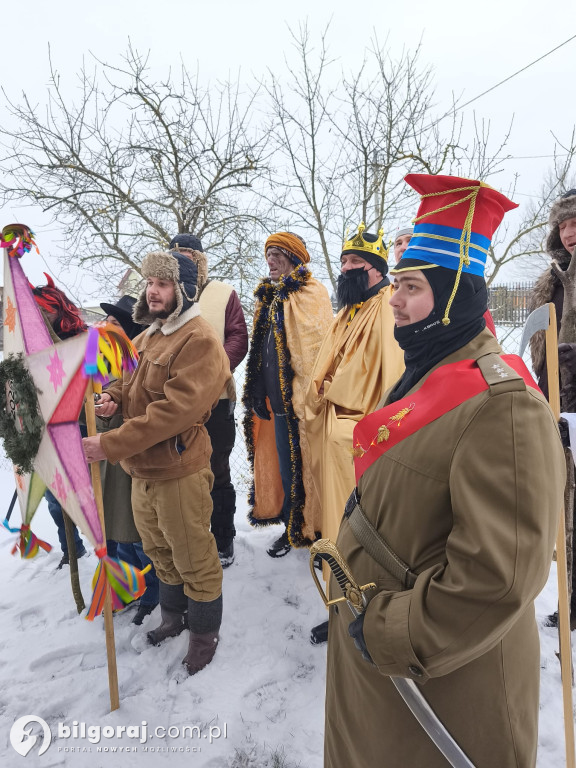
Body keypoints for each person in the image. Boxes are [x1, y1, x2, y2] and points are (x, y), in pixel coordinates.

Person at [324, 174, 565, 768]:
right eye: (397, 285)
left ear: (456, 296)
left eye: (410, 286)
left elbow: (499, 576)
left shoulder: (503, 405)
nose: (395, 300)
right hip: (391, 683)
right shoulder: (427, 371)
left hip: (443, 695)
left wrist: (390, 633)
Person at [82, 250, 231, 676]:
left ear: (182, 290)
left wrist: (111, 443)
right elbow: (127, 382)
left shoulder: (199, 340)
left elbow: (172, 413)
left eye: (162, 284)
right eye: (150, 283)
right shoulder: (149, 335)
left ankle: (204, 634)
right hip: (142, 471)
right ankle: (172, 618)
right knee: (159, 551)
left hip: (178, 470)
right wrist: (112, 396)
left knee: (193, 555)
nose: (152, 291)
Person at [305, 223, 404, 644]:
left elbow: (395, 378)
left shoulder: (385, 307)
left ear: (377, 270)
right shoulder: (347, 311)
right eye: (344, 261)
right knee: (336, 525)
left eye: (357, 263)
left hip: (364, 438)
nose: (347, 269)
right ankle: (340, 603)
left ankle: (366, 608)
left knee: (363, 529)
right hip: (333, 432)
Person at [243, 232, 333, 556]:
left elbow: (315, 353)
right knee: (285, 473)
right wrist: (256, 388)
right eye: (268, 253)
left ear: (295, 258)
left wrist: (305, 398)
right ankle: (291, 528)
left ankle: (317, 531)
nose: (271, 260)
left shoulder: (313, 294)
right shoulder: (267, 299)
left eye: (278, 253)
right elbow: (259, 351)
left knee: (311, 472)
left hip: (304, 407)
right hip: (277, 407)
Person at [168, 234, 248, 568]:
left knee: (217, 469)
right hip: (172, 399)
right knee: (177, 471)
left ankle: (224, 537)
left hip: (215, 399)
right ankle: (188, 536)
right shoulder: (165, 294)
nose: (183, 260)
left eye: (188, 254)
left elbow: (238, 337)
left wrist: (213, 370)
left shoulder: (223, 293)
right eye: (176, 255)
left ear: (200, 259)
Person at [528, 188, 576, 629]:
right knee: (567, 501)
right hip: (558, 407)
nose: (570, 233)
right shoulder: (552, 281)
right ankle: (570, 599)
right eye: (563, 225)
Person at [97, 295, 160, 625]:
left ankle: (151, 592)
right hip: (107, 458)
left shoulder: (136, 363)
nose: (108, 326)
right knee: (118, 535)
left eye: (116, 322)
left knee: (135, 536)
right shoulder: (101, 360)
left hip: (130, 456)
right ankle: (125, 588)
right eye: (108, 321)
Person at [32, 276, 87, 569]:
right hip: (48, 431)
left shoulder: (84, 340)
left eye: (45, 311)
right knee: (55, 499)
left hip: (81, 428)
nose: (40, 317)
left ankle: (114, 553)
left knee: (93, 497)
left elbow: (94, 386)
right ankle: (72, 548)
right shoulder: (32, 347)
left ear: (59, 310)